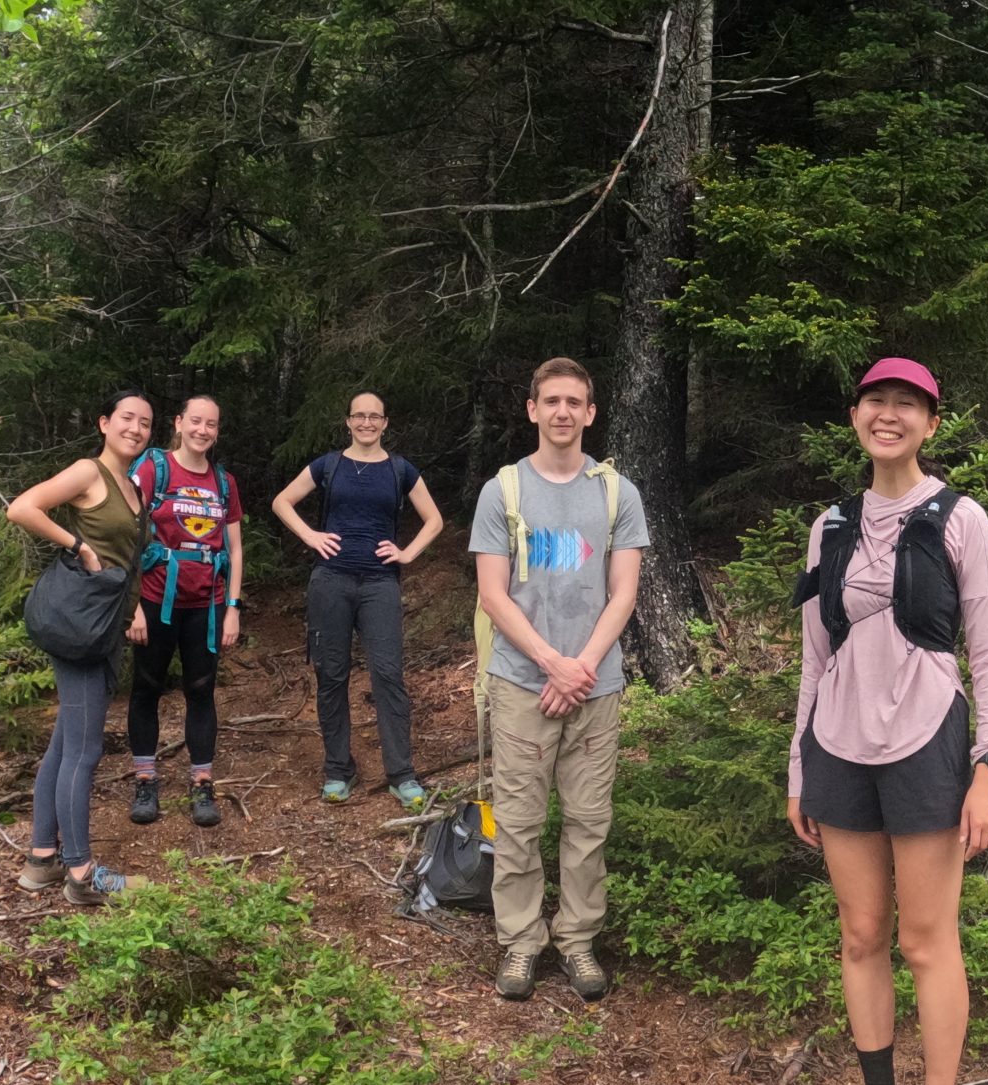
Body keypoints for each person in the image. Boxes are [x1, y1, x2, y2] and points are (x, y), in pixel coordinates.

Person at [786, 357, 988, 1085]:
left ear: (930, 424)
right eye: (876, 402)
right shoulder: (831, 527)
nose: (889, 416)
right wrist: (798, 765)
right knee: (860, 934)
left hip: (926, 742)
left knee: (925, 938)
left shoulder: (961, 519)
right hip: (838, 745)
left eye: (907, 405)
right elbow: (815, 655)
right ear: (856, 417)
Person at [469, 358, 647, 1004]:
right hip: (522, 682)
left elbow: (623, 592)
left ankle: (577, 940)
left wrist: (582, 668)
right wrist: (551, 662)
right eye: (553, 401)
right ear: (533, 409)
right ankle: (520, 942)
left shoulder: (616, 493)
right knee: (517, 821)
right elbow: (494, 593)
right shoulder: (504, 491)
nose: (564, 412)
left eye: (576, 401)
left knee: (587, 822)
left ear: (591, 413)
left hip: (595, 687)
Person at [4, 388, 154, 907]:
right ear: (105, 423)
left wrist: (133, 606)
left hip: (105, 625)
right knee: (85, 751)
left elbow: (127, 560)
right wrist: (78, 546)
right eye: (127, 419)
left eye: (145, 423)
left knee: (64, 746)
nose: (135, 429)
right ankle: (82, 874)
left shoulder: (133, 488)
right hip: (80, 628)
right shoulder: (89, 472)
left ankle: (42, 859)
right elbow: (22, 508)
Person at [273, 392, 446, 807]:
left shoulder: (399, 469)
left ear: (385, 423)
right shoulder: (328, 465)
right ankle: (338, 769)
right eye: (359, 416)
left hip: (379, 584)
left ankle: (401, 774)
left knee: (388, 674)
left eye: (375, 417)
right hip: (330, 579)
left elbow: (435, 519)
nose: (367, 422)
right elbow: (282, 501)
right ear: (348, 422)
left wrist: (407, 552)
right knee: (331, 674)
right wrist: (311, 536)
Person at [125, 395, 245, 830]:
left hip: (207, 604)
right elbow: (127, 535)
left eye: (211, 424)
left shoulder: (224, 482)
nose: (202, 430)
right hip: (156, 598)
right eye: (195, 421)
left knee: (201, 689)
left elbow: (234, 548)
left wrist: (233, 609)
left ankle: (202, 783)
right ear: (178, 423)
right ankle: (145, 780)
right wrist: (132, 604)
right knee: (147, 686)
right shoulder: (153, 470)